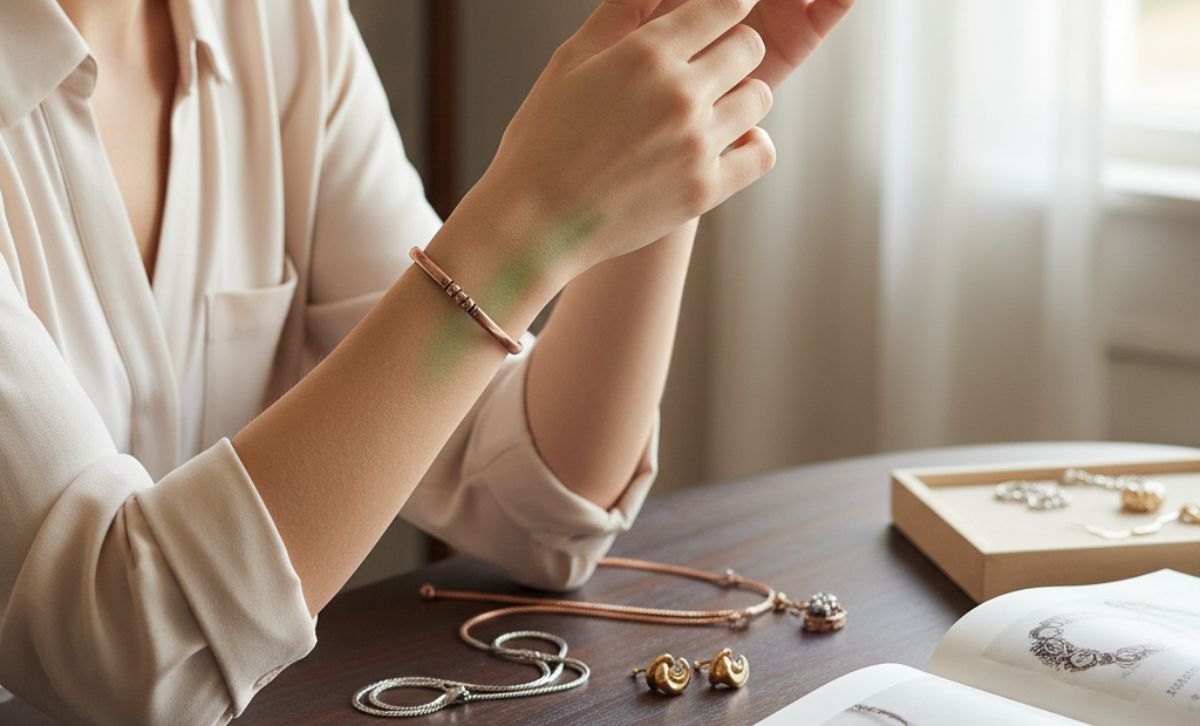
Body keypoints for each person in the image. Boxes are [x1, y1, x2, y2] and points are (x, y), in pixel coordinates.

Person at [0, 0, 851, 722]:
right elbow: (130, 650)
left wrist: (683, 120)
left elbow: (533, 500)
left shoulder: (280, 21)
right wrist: (528, 219)